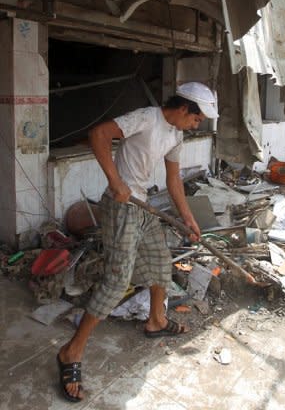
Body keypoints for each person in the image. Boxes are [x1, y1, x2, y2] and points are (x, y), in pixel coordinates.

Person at [56, 81, 219, 402]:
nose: (196, 125)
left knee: (161, 265)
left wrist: (188, 217)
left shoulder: (176, 135)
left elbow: (173, 180)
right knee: (116, 282)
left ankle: (156, 320)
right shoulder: (146, 118)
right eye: (197, 119)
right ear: (185, 108)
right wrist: (116, 181)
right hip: (121, 207)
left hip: (143, 207)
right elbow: (99, 134)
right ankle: (70, 352)